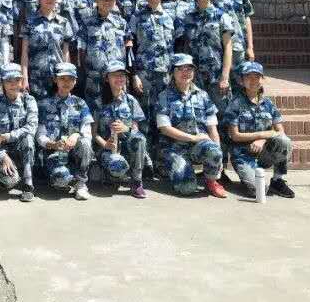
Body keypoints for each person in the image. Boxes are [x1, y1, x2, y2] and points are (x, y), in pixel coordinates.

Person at [154, 53, 226, 198]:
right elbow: (165, 129)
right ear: (172, 72)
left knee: (215, 151)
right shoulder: (164, 96)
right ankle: (182, 172)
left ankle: (211, 181)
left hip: (198, 146)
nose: (185, 72)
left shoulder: (203, 95)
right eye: (180, 69)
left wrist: (218, 156)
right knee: (187, 188)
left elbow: (212, 128)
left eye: (189, 69)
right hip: (174, 148)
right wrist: (193, 138)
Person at [223, 62, 294, 198]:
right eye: (248, 77)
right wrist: (262, 134)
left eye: (257, 77)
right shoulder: (235, 103)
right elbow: (234, 135)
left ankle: (277, 180)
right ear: (242, 81)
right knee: (259, 191)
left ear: (262, 79)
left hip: (263, 153)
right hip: (243, 155)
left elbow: (280, 131)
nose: (253, 80)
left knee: (284, 141)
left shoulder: (268, 103)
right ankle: (251, 176)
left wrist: (262, 140)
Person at [0, 64, 38, 202]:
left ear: (22, 81)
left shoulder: (29, 101)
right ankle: (8, 172)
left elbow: (31, 127)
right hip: (3, 153)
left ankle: (28, 184)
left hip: (23, 152)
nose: (13, 84)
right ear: (2, 83)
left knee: (28, 139)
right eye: (8, 81)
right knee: (8, 182)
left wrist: (6, 137)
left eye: (17, 80)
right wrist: (2, 155)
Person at [175, 0, 235, 106]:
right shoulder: (186, 18)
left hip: (215, 76)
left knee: (222, 113)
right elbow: (182, 47)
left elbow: (228, 48)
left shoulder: (222, 16)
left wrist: (225, 76)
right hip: (193, 76)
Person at [37, 63, 94, 200]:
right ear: (55, 80)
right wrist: (52, 144)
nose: (66, 82)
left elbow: (87, 132)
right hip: (54, 153)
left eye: (70, 79)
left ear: (75, 81)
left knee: (85, 143)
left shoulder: (80, 103)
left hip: (75, 153)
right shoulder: (44, 104)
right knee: (60, 179)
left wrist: (76, 135)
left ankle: (81, 183)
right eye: (62, 78)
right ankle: (65, 176)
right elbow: (40, 135)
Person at [93, 61, 147, 198]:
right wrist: (105, 144)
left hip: (128, 148)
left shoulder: (131, 100)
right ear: (107, 78)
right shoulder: (98, 102)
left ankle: (136, 181)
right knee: (117, 167)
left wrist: (126, 128)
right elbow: (93, 133)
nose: (119, 78)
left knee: (139, 139)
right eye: (115, 75)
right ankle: (111, 174)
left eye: (122, 75)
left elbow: (135, 128)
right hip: (107, 150)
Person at [129, 0, 177, 130]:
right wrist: (134, 75)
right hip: (144, 74)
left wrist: (174, 72)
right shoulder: (137, 16)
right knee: (143, 114)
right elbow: (130, 48)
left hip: (165, 74)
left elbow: (176, 45)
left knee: (164, 113)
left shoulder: (170, 16)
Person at [76, 0, 130, 110]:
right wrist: (84, 73)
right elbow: (81, 51)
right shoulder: (87, 23)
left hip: (117, 77)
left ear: (115, 1)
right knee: (95, 112)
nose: (107, 2)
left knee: (119, 109)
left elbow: (128, 47)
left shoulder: (121, 23)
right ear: (96, 0)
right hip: (95, 78)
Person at [19, 0, 74, 101]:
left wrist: (67, 74)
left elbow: (65, 52)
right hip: (36, 77)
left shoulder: (63, 22)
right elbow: (24, 53)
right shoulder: (29, 22)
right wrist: (24, 77)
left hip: (58, 77)